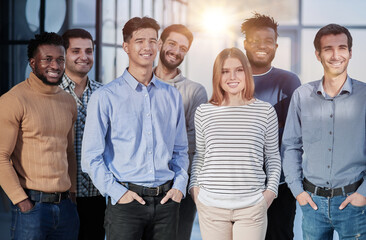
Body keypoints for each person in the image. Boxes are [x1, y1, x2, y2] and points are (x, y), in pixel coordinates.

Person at [81, 17, 189, 240]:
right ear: (126, 47)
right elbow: (91, 157)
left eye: (152, 41)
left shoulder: (172, 96)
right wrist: (117, 193)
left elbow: (180, 150)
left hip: (167, 202)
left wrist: (179, 186)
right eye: (139, 41)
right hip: (125, 205)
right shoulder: (105, 97)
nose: (147, 47)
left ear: (158, 45)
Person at [282, 24, 366, 239]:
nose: (336, 55)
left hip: (354, 203)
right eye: (328, 48)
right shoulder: (302, 95)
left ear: (350, 53)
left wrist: (363, 194)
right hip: (313, 204)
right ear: (318, 55)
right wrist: (298, 192)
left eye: (342, 48)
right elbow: (291, 146)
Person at [189, 47, 281, 240]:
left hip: (251, 207)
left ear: (246, 73)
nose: (232, 76)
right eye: (224, 71)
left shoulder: (265, 112)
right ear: (217, 76)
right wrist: (195, 190)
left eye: (238, 70)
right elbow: (201, 155)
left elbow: (272, 157)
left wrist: (269, 194)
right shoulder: (204, 112)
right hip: (211, 205)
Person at [0, 32, 79, 239]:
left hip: (66, 208)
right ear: (33, 63)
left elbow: (69, 151)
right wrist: (21, 201)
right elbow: (1, 156)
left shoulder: (68, 102)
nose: (55, 65)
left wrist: (72, 194)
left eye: (60, 59)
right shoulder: (13, 100)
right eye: (48, 59)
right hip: (32, 207)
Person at [241, 13, 301, 240]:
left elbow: (293, 136)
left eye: (268, 41)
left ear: (276, 45)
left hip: (280, 186)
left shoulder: (289, 81)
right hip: (240, 183)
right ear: (245, 44)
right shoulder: (233, 79)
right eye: (256, 40)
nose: (262, 46)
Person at [154, 24, 208, 240]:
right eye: (172, 44)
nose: (176, 51)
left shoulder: (195, 91)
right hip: (143, 184)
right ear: (160, 44)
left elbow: (196, 142)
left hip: (179, 184)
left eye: (183, 48)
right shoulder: (139, 84)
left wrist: (186, 183)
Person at [59, 28, 104, 240]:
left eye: (89, 51)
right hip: (62, 197)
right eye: (76, 50)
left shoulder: (105, 94)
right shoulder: (51, 93)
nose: (84, 57)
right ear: (64, 54)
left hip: (97, 196)